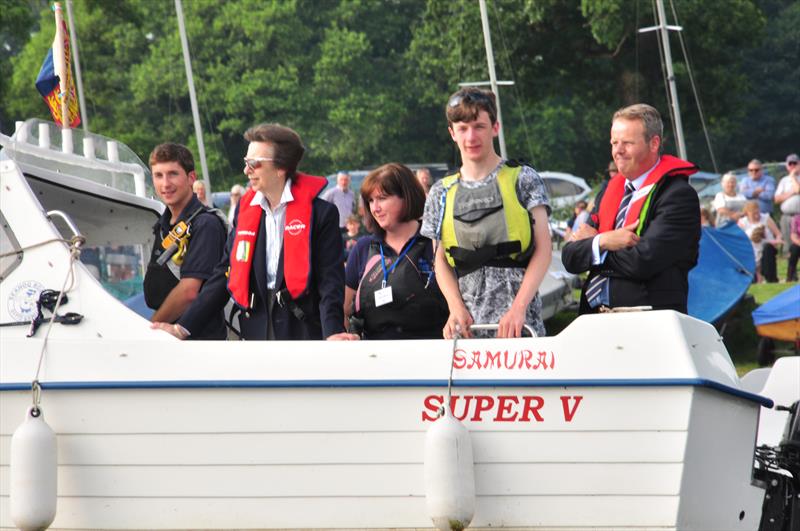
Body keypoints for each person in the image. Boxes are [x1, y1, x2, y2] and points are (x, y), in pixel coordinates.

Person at [153, 124, 355, 341]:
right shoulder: (245, 210)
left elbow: (330, 281)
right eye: (246, 163)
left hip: (303, 332)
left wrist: (333, 333)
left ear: (281, 167)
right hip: (255, 332)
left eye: (254, 164)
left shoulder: (321, 214)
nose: (246, 170)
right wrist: (182, 328)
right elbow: (224, 274)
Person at [420, 87, 552, 339]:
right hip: (467, 329)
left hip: (519, 327)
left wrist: (518, 309)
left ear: (495, 128)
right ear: (452, 133)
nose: (471, 137)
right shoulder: (440, 192)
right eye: (462, 128)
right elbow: (440, 261)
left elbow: (544, 250)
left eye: (479, 126)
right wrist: (455, 307)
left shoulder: (524, 179)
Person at [561, 103, 700, 314]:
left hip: (647, 321)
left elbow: (643, 260)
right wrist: (605, 241)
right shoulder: (609, 190)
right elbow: (570, 257)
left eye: (627, 143)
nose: (618, 151)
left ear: (654, 144)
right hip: (593, 320)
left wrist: (594, 248)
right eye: (614, 142)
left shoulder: (677, 196)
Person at [345, 163, 448, 339]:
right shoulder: (363, 248)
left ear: (406, 197)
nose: (375, 208)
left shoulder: (436, 243)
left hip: (432, 355)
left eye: (382, 198)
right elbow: (344, 308)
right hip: (375, 358)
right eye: (370, 201)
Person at [143, 143, 227, 339]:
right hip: (169, 338)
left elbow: (189, 292)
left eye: (173, 174)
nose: (165, 184)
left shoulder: (206, 224)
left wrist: (148, 329)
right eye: (158, 175)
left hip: (197, 343)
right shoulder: (164, 224)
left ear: (191, 178)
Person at [738, 200, 782, 283]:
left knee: (767, 249)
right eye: (753, 214)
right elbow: (738, 239)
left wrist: (777, 240)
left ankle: (770, 278)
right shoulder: (742, 222)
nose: (757, 216)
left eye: (757, 213)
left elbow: (778, 234)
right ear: (747, 213)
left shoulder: (766, 218)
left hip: (766, 248)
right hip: (751, 250)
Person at [774, 153, 800, 253]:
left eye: (795, 163)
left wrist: (793, 177)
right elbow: (777, 199)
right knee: (789, 244)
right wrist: (791, 192)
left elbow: (798, 190)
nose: (792, 166)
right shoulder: (784, 181)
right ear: (787, 166)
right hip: (787, 216)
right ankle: (791, 265)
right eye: (790, 164)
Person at [786, 214, 800, 282]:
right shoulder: (796, 218)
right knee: (794, 249)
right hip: (799, 243)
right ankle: (790, 278)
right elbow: (793, 236)